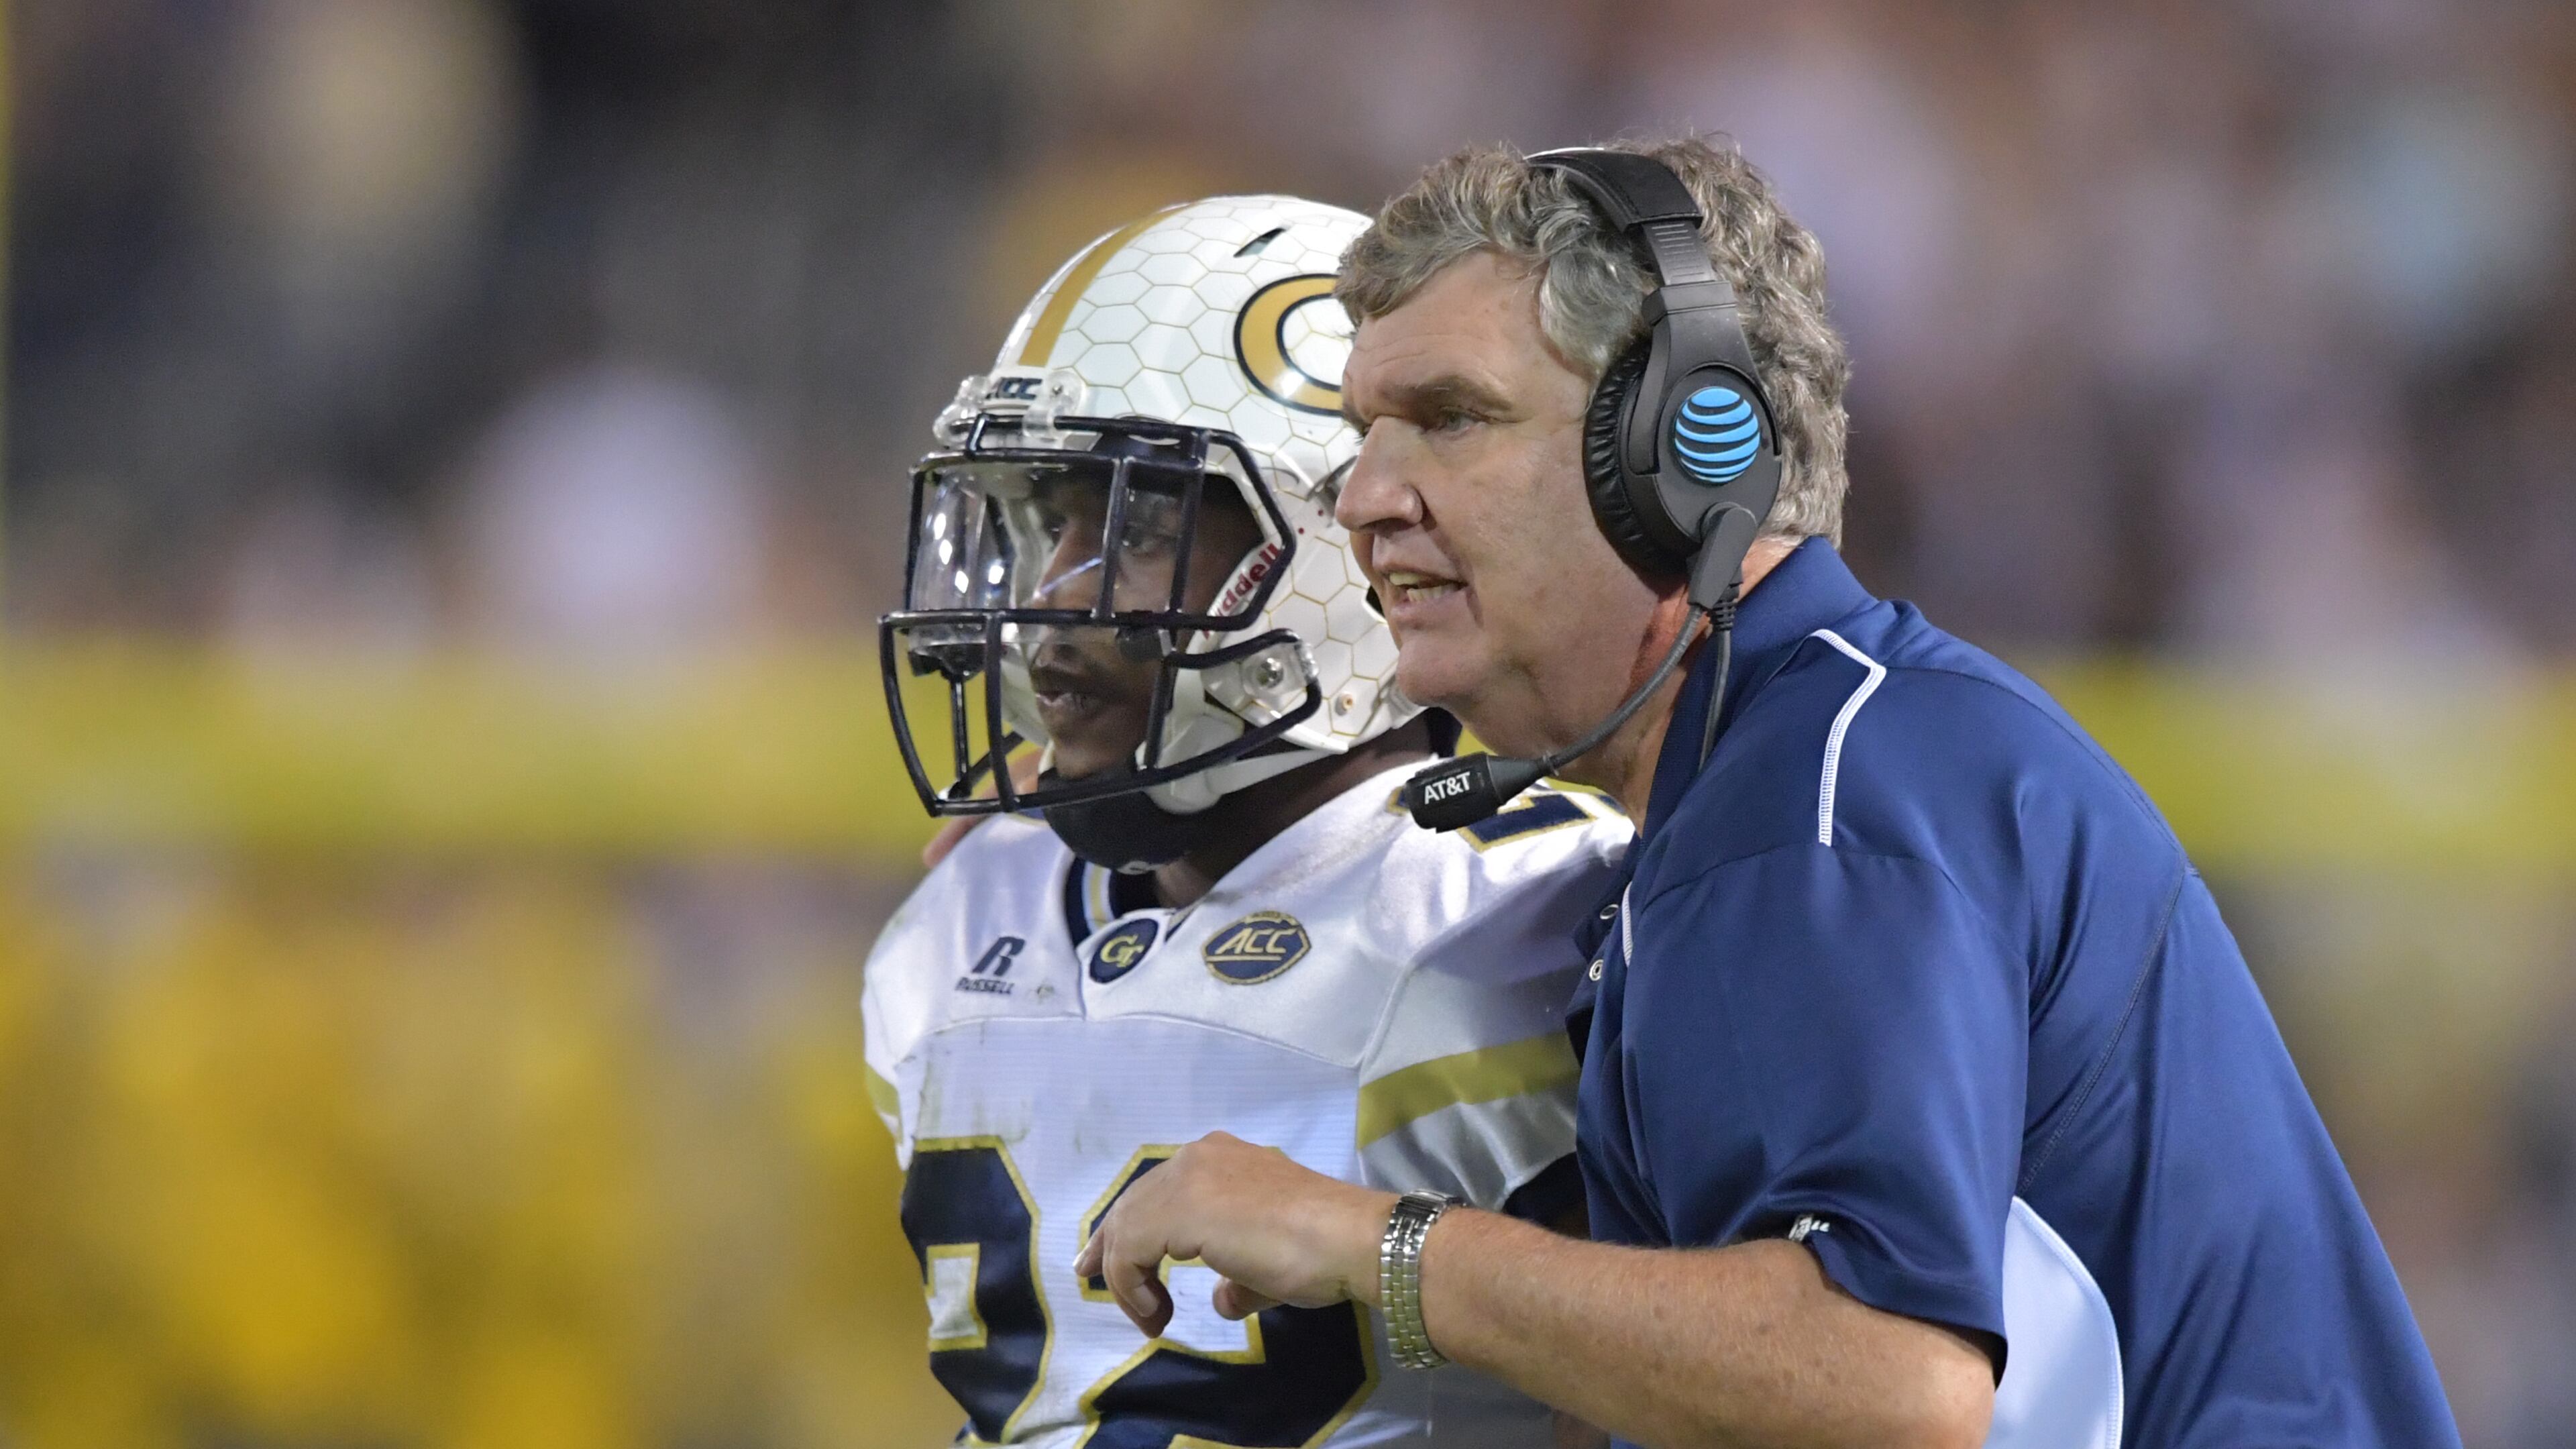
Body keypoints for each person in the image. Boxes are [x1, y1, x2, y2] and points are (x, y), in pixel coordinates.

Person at [1075, 140, 2463, 1449]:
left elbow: (1882, 1382)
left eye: (1450, 418)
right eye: (1366, 432)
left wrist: (1370, 1244)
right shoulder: (1816, 759)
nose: (1366, 494)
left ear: (1692, 456)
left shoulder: (1814, 807)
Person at [862, 194, 1633, 1446]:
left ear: (1344, 542)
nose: (1056, 597)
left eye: (1143, 521)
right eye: (1047, 518)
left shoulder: (1537, 921)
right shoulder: (966, 909)